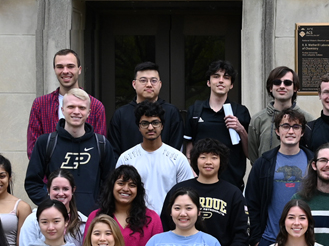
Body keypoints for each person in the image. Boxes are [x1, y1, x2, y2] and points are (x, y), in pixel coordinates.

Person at [164, 138, 250, 246]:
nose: (208, 162)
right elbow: (166, 224)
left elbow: (241, 231)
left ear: (221, 161)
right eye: (203, 157)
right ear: (195, 160)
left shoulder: (233, 194)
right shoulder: (179, 190)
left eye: (214, 158)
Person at [25, 88, 117, 216]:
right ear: (62, 110)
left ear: (89, 112)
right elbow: (32, 183)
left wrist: (98, 210)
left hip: (91, 222)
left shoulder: (101, 144)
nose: (76, 112)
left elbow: (111, 184)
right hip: (56, 220)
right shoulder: (46, 142)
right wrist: (51, 205)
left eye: (82, 108)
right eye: (71, 107)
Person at [246, 108, 312, 246]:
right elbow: (252, 201)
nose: (290, 131)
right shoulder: (263, 163)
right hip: (270, 240)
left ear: (302, 132)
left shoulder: (313, 161)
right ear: (277, 131)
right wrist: (257, 241)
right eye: (285, 126)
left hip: (306, 241)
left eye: (296, 127)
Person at [182, 60, 251, 191]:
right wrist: (192, 172)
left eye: (226, 78)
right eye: (216, 76)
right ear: (209, 82)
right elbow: (189, 147)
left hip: (232, 183)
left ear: (231, 85)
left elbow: (249, 153)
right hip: (200, 181)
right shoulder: (196, 110)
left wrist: (240, 129)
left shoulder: (241, 111)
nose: (221, 81)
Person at [117, 101, 195, 215]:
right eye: (144, 123)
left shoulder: (178, 159)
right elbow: (119, 194)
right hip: (135, 221)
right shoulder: (126, 159)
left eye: (155, 122)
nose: (150, 127)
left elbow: (188, 195)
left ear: (162, 125)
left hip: (170, 222)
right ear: (138, 127)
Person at [26, 49, 108, 155]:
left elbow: (100, 149)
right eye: (60, 67)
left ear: (79, 69)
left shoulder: (96, 106)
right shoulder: (40, 104)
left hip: (85, 168)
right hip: (50, 171)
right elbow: (33, 149)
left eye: (70, 66)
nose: (65, 71)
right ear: (54, 69)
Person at [107, 62, 183, 155]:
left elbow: (175, 150)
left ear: (160, 84)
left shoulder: (171, 112)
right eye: (143, 80)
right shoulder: (121, 114)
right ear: (134, 84)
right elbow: (113, 151)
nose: (149, 84)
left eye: (153, 81)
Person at [247, 66, 310, 162]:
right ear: (270, 88)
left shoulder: (308, 119)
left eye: (287, 83)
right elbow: (253, 154)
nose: (282, 86)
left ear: (295, 88)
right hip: (266, 175)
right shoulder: (258, 120)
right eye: (277, 82)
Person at [19, 170, 86, 246]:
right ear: (48, 190)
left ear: (73, 190)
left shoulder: (83, 221)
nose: (61, 193)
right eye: (56, 189)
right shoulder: (33, 220)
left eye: (65, 189)